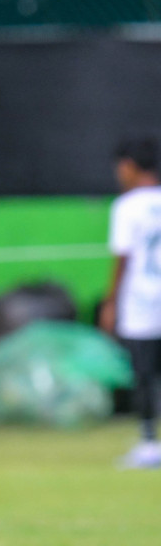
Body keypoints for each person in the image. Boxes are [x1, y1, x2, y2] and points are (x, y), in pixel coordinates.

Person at [101, 137, 161, 469]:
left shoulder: (126, 206)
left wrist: (112, 302)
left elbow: (122, 260)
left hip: (141, 301)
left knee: (145, 374)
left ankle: (150, 442)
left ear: (128, 167)